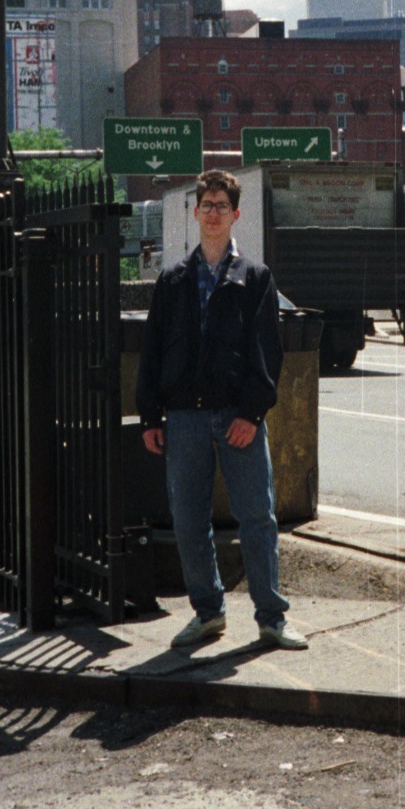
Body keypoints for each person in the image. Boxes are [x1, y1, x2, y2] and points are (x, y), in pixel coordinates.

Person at [136, 169, 307, 651]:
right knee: (189, 520)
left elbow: (267, 353)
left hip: (238, 418)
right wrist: (150, 416)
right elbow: (152, 353)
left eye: (221, 206)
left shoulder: (255, 278)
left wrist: (251, 414)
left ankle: (272, 618)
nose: (212, 213)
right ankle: (208, 613)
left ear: (235, 215)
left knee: (258, 517)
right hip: (184, 418)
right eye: (205, 204)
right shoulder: (172, 281)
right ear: (195, 213)